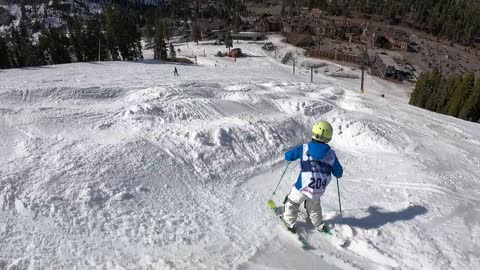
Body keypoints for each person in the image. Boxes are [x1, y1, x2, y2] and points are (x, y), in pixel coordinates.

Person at [280, 121, 343, 233]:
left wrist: (288, 156)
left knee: (292, 202)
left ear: (313, 132)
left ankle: (289, 222)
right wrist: (337, 173)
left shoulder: (304, 148)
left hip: (302, 187)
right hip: (318, 188)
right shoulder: (331, 154)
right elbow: (338, 172)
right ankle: (318, 224)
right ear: (329, 137)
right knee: (314, 206)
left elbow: (289, 156)